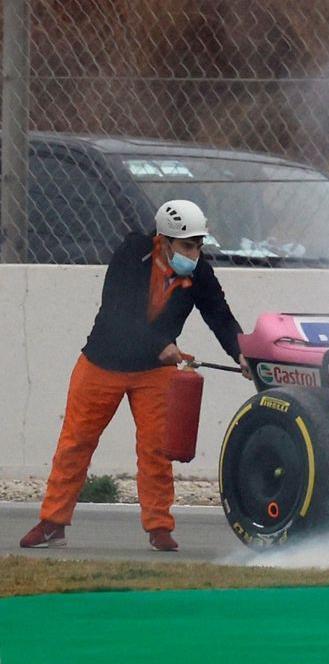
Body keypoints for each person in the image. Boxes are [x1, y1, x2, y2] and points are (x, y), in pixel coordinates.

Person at [19, 199, 249, 552]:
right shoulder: (132, 253)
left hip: (155, 372)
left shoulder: (199, 272)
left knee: (158, 449)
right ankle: (52, 523)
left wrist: (241, 352)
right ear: (164, 240)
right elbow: (118, 308)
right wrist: (161, 343)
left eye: (199, 245)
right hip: (102, 363)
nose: (195, 252)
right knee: (75, 443)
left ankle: (159, 527)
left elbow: (219, 314)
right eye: (188, 245)